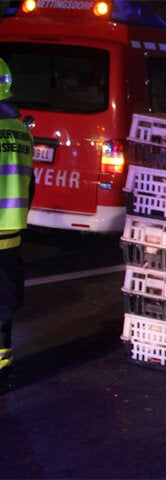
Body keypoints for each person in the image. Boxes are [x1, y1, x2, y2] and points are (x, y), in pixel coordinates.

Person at [0, 57, 34, 376]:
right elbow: (30, 183)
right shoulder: (22, 132)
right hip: (9, 234)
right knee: (3, 298)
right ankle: (2, 359)